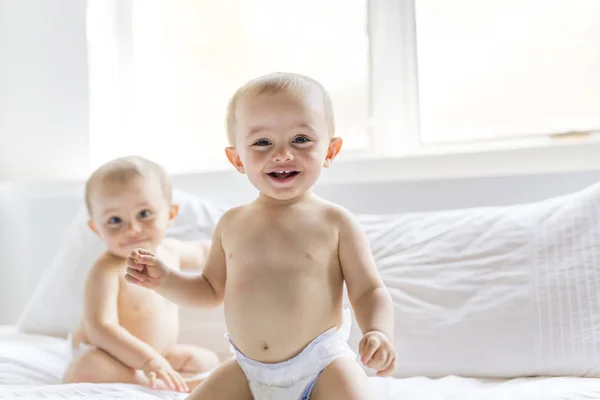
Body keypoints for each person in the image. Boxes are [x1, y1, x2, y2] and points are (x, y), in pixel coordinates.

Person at [126, 72, 396, 399]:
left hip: (321, 366)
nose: (282, 154)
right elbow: (210, 290)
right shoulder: (232, 223)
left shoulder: (335, 222)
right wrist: (164, 280)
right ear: (237, 158)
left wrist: (378, 331)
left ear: (330, 150)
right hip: (248, 371)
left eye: (301, 139)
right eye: (262, 142)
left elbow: (368, 290)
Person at [62, 155, 220, 393]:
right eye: (115, 220)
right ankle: (161, 385)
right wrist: (148, 361)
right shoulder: (107, 270)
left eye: (145, 214)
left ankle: (168, 383)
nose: (133, 229)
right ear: (96, 228)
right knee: (87, 367)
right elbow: (101, 328)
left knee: (206, 361)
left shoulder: (171, 250)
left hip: (159, 353)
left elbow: (206, 252)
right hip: (109, 354)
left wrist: (242, 246)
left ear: (170, 214)